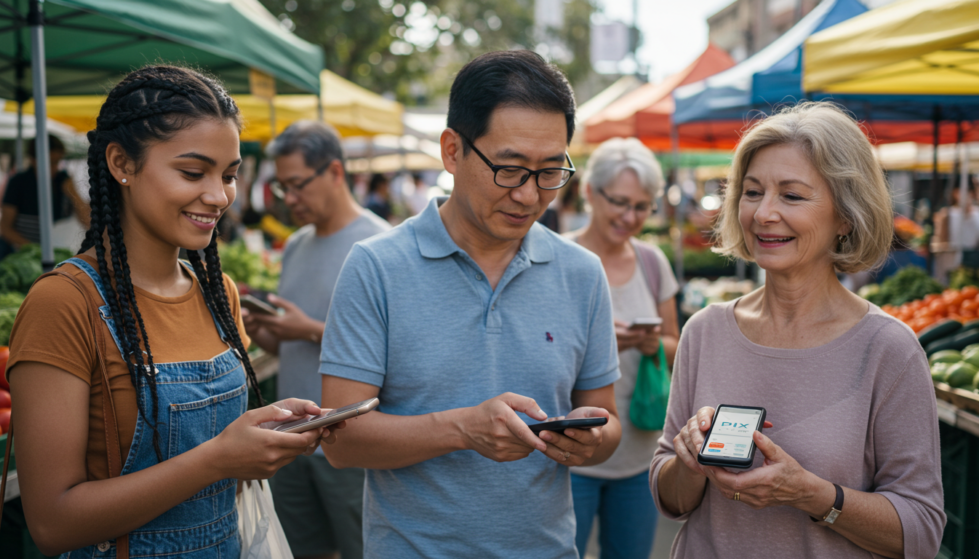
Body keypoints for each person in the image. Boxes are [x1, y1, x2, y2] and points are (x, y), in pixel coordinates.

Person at [7, 66, 339, 557]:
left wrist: (266, 434)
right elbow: (53, 523)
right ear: (121, 163)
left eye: (229, 175)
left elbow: (220, 446)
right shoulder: (64, 303)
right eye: (192, 172)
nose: (219, 196)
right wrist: (220, 460)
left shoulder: (218, 292)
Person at [318, 50, 623, 559]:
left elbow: (607, 421)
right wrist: (462, 429)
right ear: (452, 151)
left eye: (551, 171)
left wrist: (591, 440)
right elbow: (340, 441)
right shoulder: (376, 267)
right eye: (509, 169)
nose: (529, 196)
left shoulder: (582, 273)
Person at [652, 102, 945, 558]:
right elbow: (670, 500)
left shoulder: (888, 349)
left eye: (791, 196)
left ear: (845, 216)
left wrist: (812, 494)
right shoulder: (704, 331)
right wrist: (689, 461)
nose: (764, 213)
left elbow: (922, 533)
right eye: (752, 192)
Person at [243, 120, 390, 559]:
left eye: (297, 184)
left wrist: (305, 328)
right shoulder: (296, 245)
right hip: (292, 441)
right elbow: (290, 350)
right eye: (282, 186)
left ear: (335, 173)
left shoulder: (381, 245)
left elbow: (394, 352)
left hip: (351, 445)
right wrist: (265, 331)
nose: (290, 198)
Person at [567, 137, 679, 559]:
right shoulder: (557, 257)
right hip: (568, 453)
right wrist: (597, 343)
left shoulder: (652, 262)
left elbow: (675, 343)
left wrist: (652, 344)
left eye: (641, 206)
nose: (630, 217)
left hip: (638, 452)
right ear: (590, 191)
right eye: (620, 202)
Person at [0, 134, 89, 260]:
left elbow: (88, 222)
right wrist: (35, 250)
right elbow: (5, 228)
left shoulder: (63, 181)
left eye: (57, 162)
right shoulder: (18, 183)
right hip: (20, 254)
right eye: (50, 162)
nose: (55, 168)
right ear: (34, 159)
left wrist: (74, 194)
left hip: (56, 253)